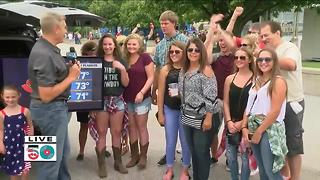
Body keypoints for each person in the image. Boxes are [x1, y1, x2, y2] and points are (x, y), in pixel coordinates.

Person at [28, 12, 81, 180]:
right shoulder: (44, 53)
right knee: (49, 162)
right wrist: (71, 77)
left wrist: (67, 69)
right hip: (49, 111)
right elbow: (45, 95)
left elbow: (51, 76)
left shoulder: (47, 49)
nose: (66, 31)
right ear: (57, 28)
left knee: (62, 154)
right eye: (65, 27)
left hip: (53, 111)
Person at [260, 21, 304, 180]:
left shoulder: (289, 48)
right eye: (261, 36)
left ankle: (295, 177)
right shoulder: (269, 51)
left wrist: (268, 56)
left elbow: (291, 64)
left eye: (267, 35)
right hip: (275, 105)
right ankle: (286, 175)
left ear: (278, 33)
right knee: (280, 144)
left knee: (293, 145)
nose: (264, 38)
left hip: (292, 103)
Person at [242, 48, 288, 180]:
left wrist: (259, 131)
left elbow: (275, 111)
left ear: (274, 62)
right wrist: (244, 127)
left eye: (267, 59)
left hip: (270, 128)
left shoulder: (278, 81)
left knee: (271, 170)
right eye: (260, 59)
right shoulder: (256, 80)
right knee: (262, 169)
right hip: (253, 125)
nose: (263, 62)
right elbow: (249, 106)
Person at [90, 34, 129, 177]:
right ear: (101, 45)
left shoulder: (121, 61)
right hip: (101, 101)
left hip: (117, 100)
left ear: (114, 45)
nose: (107, 47)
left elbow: (125, 84)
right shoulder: (96, 61)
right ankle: (101, 165)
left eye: (110, 44)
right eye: (105, 44)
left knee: (116, 132)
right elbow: (91, 83)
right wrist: (92, 105)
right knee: (101, 133)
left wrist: (122, 69)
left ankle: (118, 162)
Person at [153, 10, 188, 166]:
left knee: (185, 132)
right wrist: (154, 90)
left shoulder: (185, 41)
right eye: (161, 23)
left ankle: (187, 158)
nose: (163, 26)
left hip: (185, 93)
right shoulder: (160, 45)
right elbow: (158, 68)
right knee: (169, 129)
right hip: (166, 90)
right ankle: (170, 155)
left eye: (166, 23)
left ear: (174, 23)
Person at [179, 37, 217, 180]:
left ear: (201, 52)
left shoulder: (205, 69)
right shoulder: (184, 69)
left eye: (196, 50)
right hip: (187, 116)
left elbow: (211, 96)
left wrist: (208, 117)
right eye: (190, 49)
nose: (193, 52)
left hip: (202, 118)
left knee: (201, 152)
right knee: (193, 151)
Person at [157, 41, 191, 180]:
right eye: (171, 52)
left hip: (186, 110)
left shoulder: (189, 68)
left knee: (185, 141)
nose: (174, 54)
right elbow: (161, 92)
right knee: (170, 140)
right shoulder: (165, 69)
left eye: (177, 52)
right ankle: (169, 168)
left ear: (183, 53)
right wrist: (160, 113)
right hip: (169, 108)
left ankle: (185, 169)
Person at [123, 34, 154, 169]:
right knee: (131, 126)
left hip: (142, 98)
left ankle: (143, 156)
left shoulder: (145, 57)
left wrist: (142, 92)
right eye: (129, 44)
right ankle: (134, 155)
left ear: (139, 45)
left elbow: (151, 77)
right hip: (127, 97)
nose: (131, 46)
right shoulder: (124, 58)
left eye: (134, 44)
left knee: (141, 126)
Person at [223, 47, 254, 180]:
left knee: (246, 159)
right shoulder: (230, 79)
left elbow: (255, 105)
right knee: (231, 157)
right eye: (236, 57)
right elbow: (226, 102)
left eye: (242, 57)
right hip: (232, 124)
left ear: (250, 60)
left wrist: (242, 123)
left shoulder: (256, 79)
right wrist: (229, 121)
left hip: (247, 125)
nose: (239, 60)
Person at [0, 85, 34, 180]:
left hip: (23, 143)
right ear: (2, 96)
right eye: (7, 97)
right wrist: (1, 144)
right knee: (12, 168)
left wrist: (31, 140)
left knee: (25, 168)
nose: (10, 99)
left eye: (13, 97)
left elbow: (30, 125)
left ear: (19, 95)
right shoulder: (2, 114)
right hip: (9, 144)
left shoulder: (25, 111)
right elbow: (1, 129)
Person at [76, 41, 100, 161]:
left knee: (101, 127)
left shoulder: (102, 63)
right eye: (88, 54)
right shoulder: (78, 64)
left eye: (94, 54)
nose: (91, 57)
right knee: (83, 126)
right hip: (83, 100)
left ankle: (101, 148)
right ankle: (81, 151)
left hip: (98, 100)